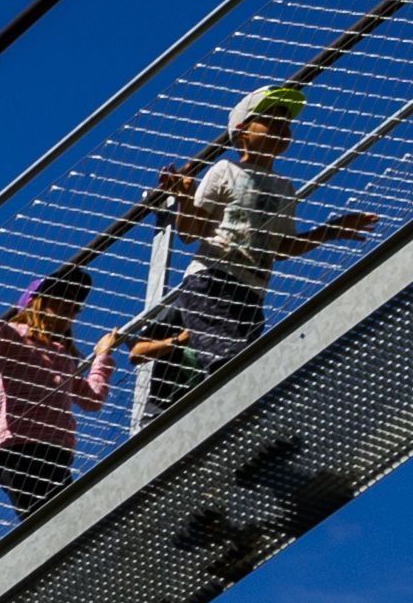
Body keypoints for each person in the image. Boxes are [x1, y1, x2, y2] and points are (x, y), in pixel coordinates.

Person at [145, 80, 376, 395]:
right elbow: (190, 233)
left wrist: (331, 230)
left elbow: (281, 247)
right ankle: (239, 418)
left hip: (253, 290)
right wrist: (185, 200)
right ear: (242, 131)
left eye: (286, 123)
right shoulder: (224, 171)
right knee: (228, 361)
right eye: (271, 120)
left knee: (250, 359)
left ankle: (247, 420)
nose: (283, 128)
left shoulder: (285, 188)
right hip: (210, 281)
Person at [0, 242, 169, 528]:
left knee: (72, 526)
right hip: (20, 450)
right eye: (62, 297)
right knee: (54, 527)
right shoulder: (12, 336)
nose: (71, 308)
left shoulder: (63, 356)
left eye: (75, 303)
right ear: (36, 302)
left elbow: (92, 399)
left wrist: (102, 357)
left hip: (56, 453)